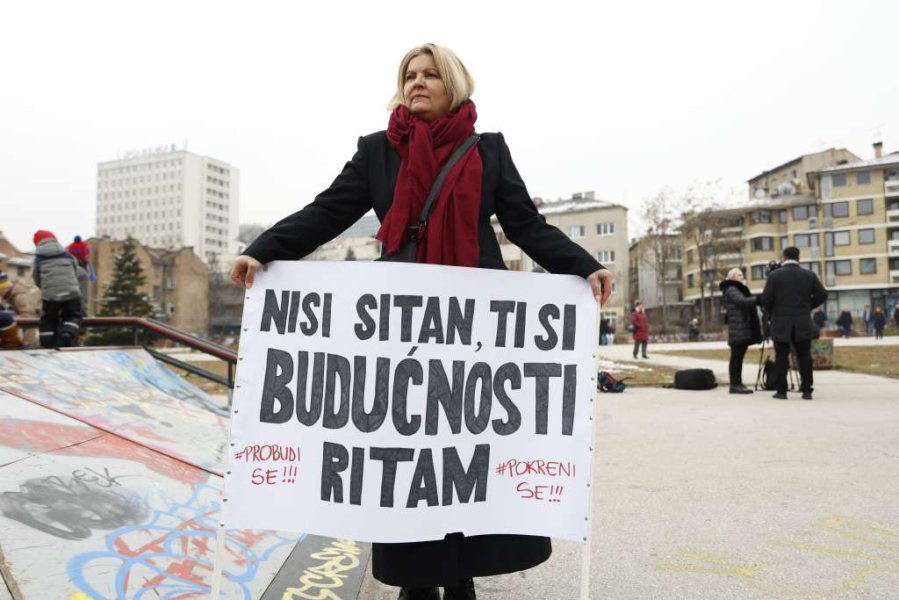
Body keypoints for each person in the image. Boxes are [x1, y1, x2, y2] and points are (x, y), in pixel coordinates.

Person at [229, 43, 615, 600]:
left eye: (431, 74)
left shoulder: (489, 150)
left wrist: (582, 266)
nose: (417, 82)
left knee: (463, 446)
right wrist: (262, 250)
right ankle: (416, 578)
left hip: (473, 325)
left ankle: (459, 576)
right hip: (401, 325)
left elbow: (526, 224)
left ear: (453, 83)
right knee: (408, 448)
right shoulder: (377, 152)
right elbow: (327, 212)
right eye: (409, 74)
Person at [760, 247, 828, 400]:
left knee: (782, 356)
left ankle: (782, 390)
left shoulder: (774, 276)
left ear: (783, 257)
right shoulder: (809, 275)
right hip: (802, 321)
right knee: (804, 356)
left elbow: (766, 299)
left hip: (780, 322)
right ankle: (807, 390)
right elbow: (822, 294)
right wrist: (808, 305)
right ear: (799, 257)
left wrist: (772, 311)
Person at [33, 230, 84, 348]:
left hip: (50, 296)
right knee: (73, 316)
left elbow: (36, 277)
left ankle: (47, 343)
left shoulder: (38, 259)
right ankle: (68, 332)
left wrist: (45, 288)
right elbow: (75, 271)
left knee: (48, 320)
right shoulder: (67, 255)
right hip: (72, 293)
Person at [719, 268, 762, 394]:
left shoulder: (736, 288)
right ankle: (735, 384)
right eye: (739, 275)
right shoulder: (732, 289)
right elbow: (741, 301)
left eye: (742, 275)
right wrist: (758, 300)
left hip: (740, 327)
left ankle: (737, 383)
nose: (742, 277)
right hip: (738, 328)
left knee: (738, 356)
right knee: (737, 357)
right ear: (732, 277)